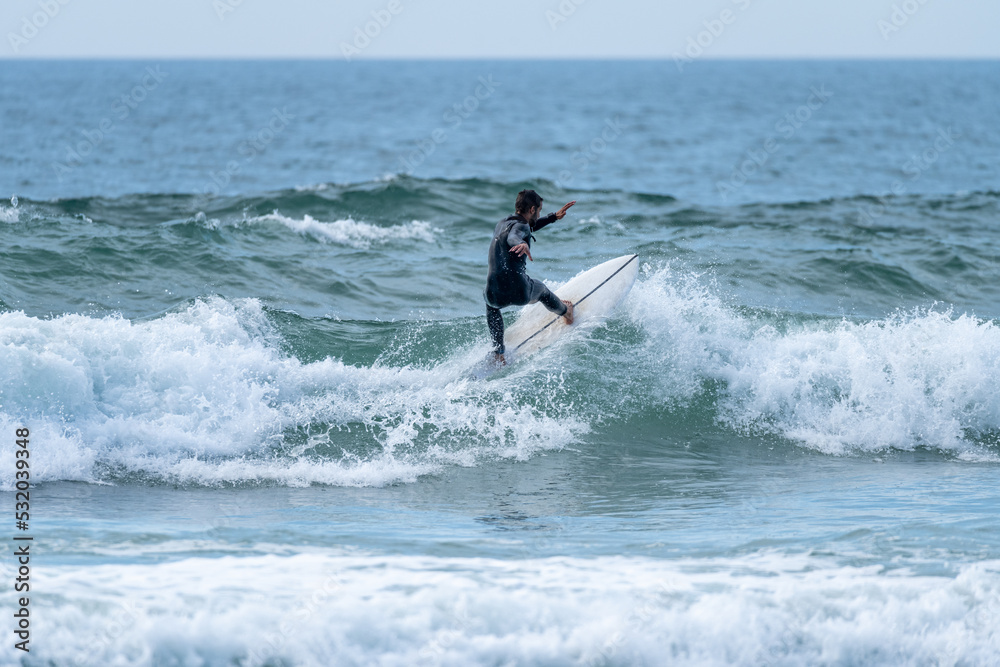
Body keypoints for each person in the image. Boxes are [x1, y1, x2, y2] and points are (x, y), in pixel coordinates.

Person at [484, 189, 576, 365]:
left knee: (491, 306)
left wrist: (553, 217)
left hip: (493, 293)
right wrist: (520, 244)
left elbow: (524, 228)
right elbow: (515, 235)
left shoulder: (502, 223)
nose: (539, 213)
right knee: (541, 290)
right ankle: (567, 312)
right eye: (539, 210)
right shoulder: (520, 228)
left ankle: (499, 353)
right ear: (532, 209)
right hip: (519, 291)